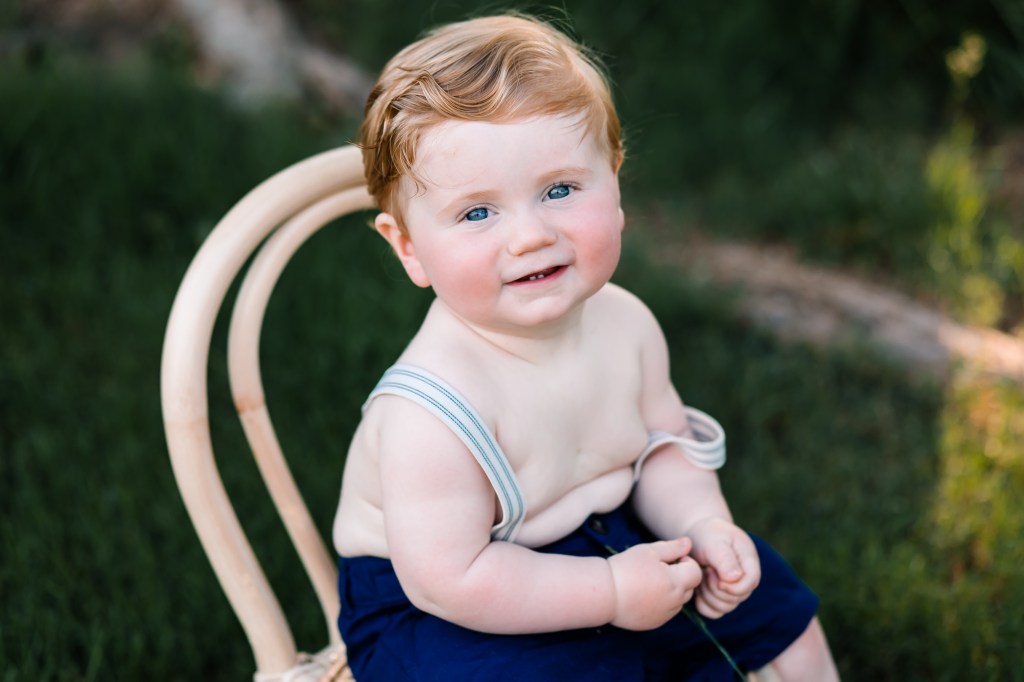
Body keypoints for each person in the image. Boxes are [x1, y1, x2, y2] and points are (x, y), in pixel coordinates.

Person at [332, 13, 840, 681]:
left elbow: (662, 446)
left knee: (772, 603)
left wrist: (703, 521)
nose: (531, 236)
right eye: (478, 212)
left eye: (560, 190)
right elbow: (451, 579)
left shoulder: (625, 325)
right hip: (443, 600)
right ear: (408, 249)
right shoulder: (431, 413)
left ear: (616, 184)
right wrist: (609, 592)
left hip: (600, 532)